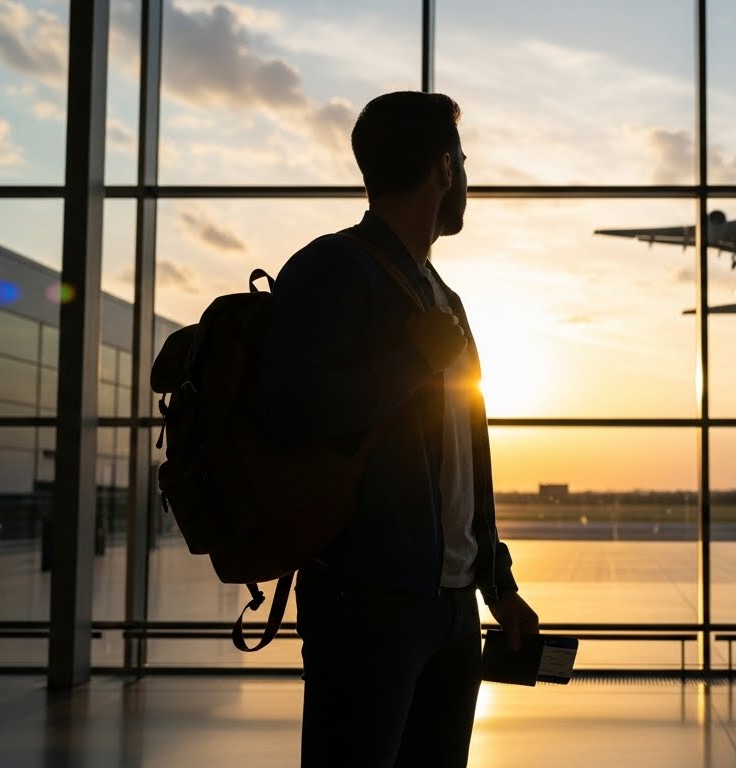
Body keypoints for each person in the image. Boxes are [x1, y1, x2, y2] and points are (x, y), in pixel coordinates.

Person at [257, 91, 540, 768]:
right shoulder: (334, 269)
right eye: (464, 162)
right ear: (444, 169)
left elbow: (466, 464)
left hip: (451, 608)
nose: (468, 177)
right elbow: (287, 415)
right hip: (367, 603)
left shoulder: (446, 298)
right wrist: (414, 362)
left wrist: (495, 580)